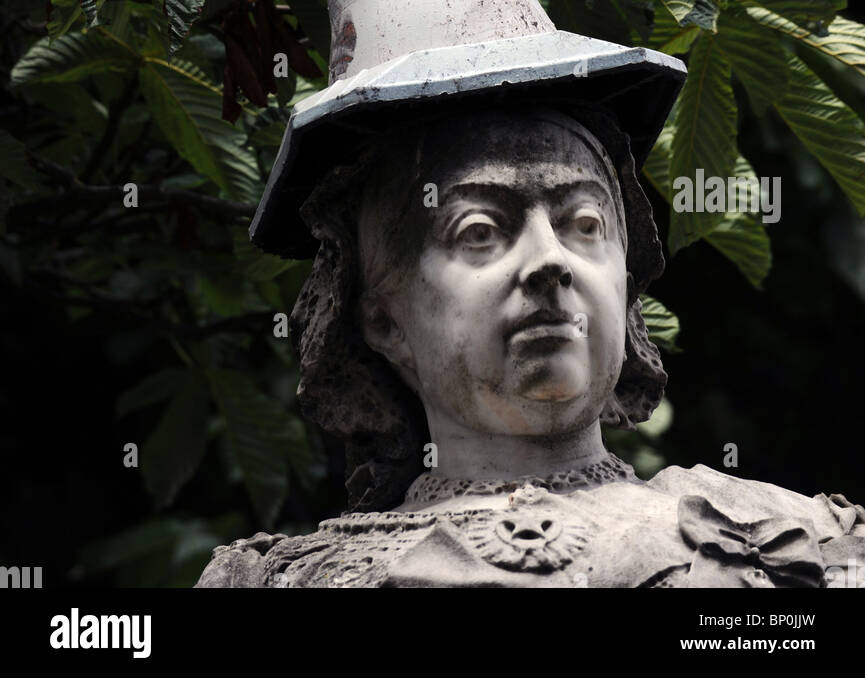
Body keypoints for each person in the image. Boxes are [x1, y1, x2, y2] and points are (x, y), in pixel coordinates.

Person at [196, 102, 865, 589]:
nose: (550, 261)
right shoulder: (280, 582)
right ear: (383, 323)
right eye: (480, 231)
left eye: (583, 223)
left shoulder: (794, 541)